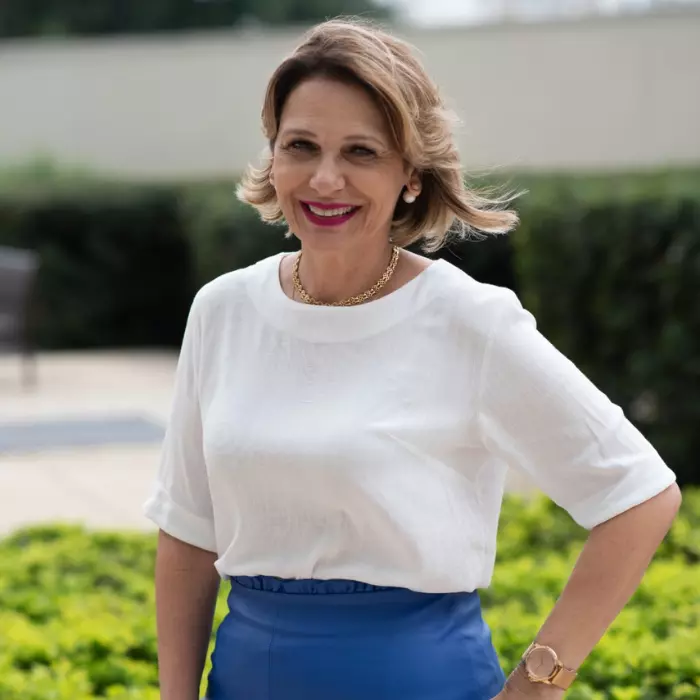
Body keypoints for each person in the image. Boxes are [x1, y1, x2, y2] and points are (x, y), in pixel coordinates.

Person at [143, 17, 681, 700]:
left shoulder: (468, 320)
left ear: (411, 175)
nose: (326, 178)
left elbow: (640, 496)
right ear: (272, 158)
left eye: (361, 152)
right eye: (301, 146)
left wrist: (540, 682)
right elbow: (188, 536)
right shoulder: (222, 310)